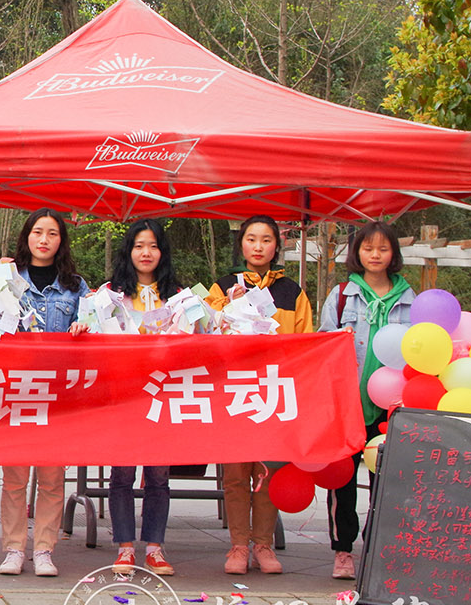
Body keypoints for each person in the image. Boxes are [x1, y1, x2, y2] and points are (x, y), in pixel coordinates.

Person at [206, 215, 313, 576]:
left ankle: (263, 544)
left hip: (274, 391)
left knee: (269, 471)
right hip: (233, 390)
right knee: (236, 473)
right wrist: (226, 307)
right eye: (251, 239)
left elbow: (305, 343)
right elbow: (205, 332)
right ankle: (238, 545)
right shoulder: (222, 287)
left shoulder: (292, 292)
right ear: (241, 244)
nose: (258, 246)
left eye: (266, 240)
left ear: (276, 246)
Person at [84, 220, 182, 576]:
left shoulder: (178, 295)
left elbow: (196, 337)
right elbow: (93, 334)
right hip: (122, 395)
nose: (146, 253)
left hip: (162, 395)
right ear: (129, 251)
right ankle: (125, 547)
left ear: (162, 252)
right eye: (139, 245)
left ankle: (155, 548)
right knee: (122, 474)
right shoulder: (110, 294)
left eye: (153, 246)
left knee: (158, 476)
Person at [317, 220, 412, 580]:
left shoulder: (410, 298)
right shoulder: (342, 295)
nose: (375, 255)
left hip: (391, 408)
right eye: (368, 248)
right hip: (347, 405)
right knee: (341, 481)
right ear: (357, 252)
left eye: (383, 249)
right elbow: (323, 343)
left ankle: (374, 550)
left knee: (385, 484)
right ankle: (343, 551)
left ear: (393, 254)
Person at [0, 209, 90, 578]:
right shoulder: (7, 279)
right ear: (27, 236)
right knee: (15, 477)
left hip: (58, 393)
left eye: (52, 233)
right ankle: (13, 548)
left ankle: (44, 550)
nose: (44, 240)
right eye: (38, 232)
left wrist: (85, 326)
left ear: (61, 241)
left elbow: (95, 322)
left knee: (52, 477)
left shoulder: (75, 286)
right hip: (17, 389)